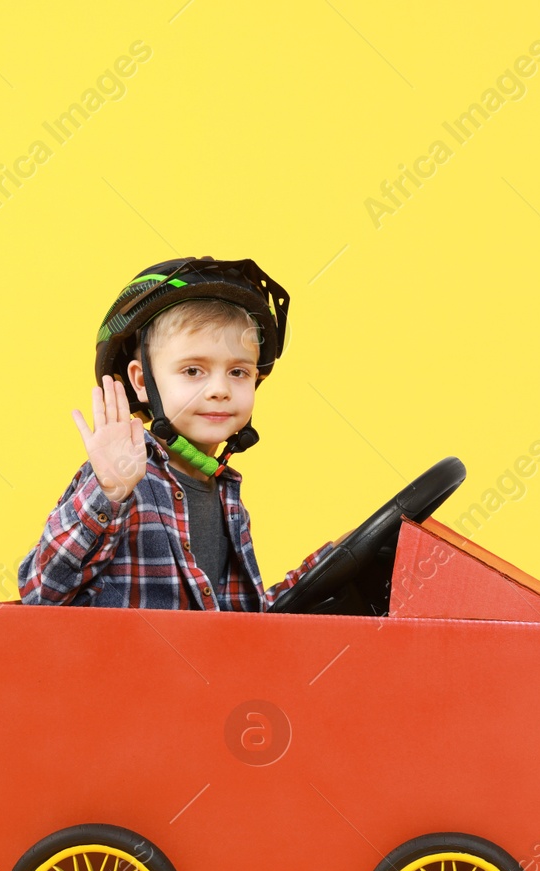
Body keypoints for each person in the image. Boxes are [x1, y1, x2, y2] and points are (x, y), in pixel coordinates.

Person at [18, 256, 332, 610]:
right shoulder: (121, 477)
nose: (219, 389)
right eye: (193, 370)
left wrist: (330, 562)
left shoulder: (227, 499)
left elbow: (240, 624)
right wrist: (108, 496)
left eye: (238, 372)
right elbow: (40, 593)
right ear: (141, 381)